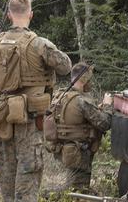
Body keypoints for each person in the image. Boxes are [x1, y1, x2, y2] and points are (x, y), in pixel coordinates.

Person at [0, 0, 71, 202]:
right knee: (30, 161)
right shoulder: (39, 43)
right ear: (31, 14)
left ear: (9, 15)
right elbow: (65, 66)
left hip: (5, 111)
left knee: (7, 161)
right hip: (30, 111)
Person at [48, 63, 113, 191]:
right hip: (79, 151)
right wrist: (107, 105)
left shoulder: (60, 95)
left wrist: (96, 109)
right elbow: (105, 123)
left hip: (64, 147)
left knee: (73, 186)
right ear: (83, 80)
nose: (91, 83)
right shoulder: (81, 101)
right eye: (89, 80)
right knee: (79, 190)